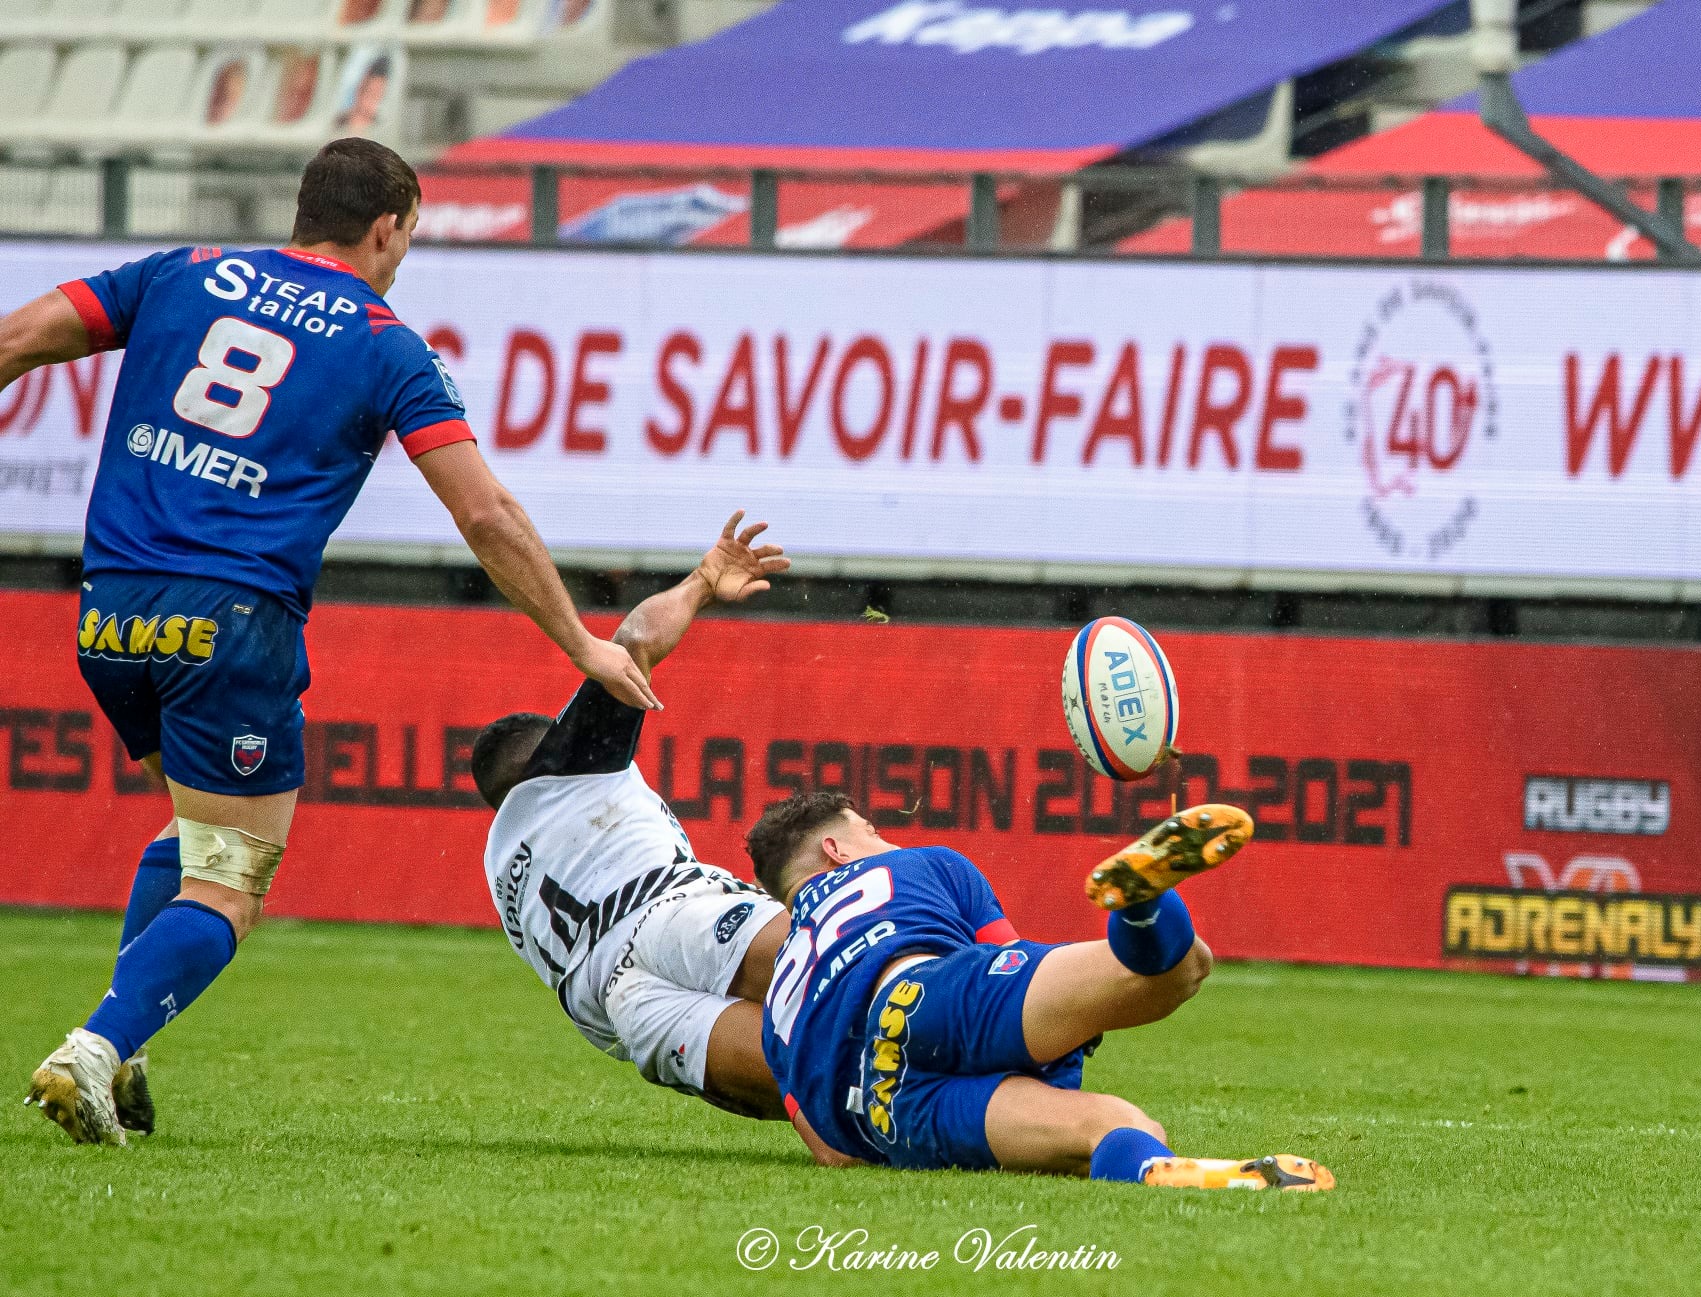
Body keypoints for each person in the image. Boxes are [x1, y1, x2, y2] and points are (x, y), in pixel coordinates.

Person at [1, 137, 660, 1146]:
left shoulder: (179, 273)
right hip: (229, 627)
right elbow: (485, 513)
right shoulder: (385, 343)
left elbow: (18, 338)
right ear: (386, 228)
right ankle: (93, 1049)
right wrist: (578, 641)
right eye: (409, 235)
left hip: (108, 613)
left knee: (192, 829)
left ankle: (126, 1049)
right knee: (232, 879)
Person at [748, 794, 1338, 1189]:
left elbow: (832, 1152)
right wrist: (1078, 1019)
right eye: (873, 831)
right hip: (923, 995)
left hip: (888, 1112)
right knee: (1182, 967)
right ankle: (1141, 907)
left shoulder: (778, 1001)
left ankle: (1180, 1175)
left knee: (1109, 1128)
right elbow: (1005, 958)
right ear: (837, 850)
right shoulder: (924, 864)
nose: (889, 839)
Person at [470, 511, 794, 1118]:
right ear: (548, 750)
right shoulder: (565, 773)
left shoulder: (500, 868)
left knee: (829, 1087)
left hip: (621, 1003)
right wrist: (702, 581)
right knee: (853, 983)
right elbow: (635, 641)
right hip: (672, 919)